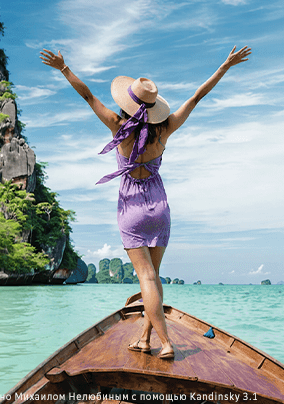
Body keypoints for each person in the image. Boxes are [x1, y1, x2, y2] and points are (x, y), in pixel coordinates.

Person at [39, 45, 251, 360]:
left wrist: (64, 68)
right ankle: (144, 338)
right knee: (153, 276)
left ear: (128, 102)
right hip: (160, 208)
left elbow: (88, 97)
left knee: (147, 278)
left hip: (132, 210)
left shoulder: (117, 125)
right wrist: (225, 66)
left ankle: (165, 343)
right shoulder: (164, 130)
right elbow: (196, 97)